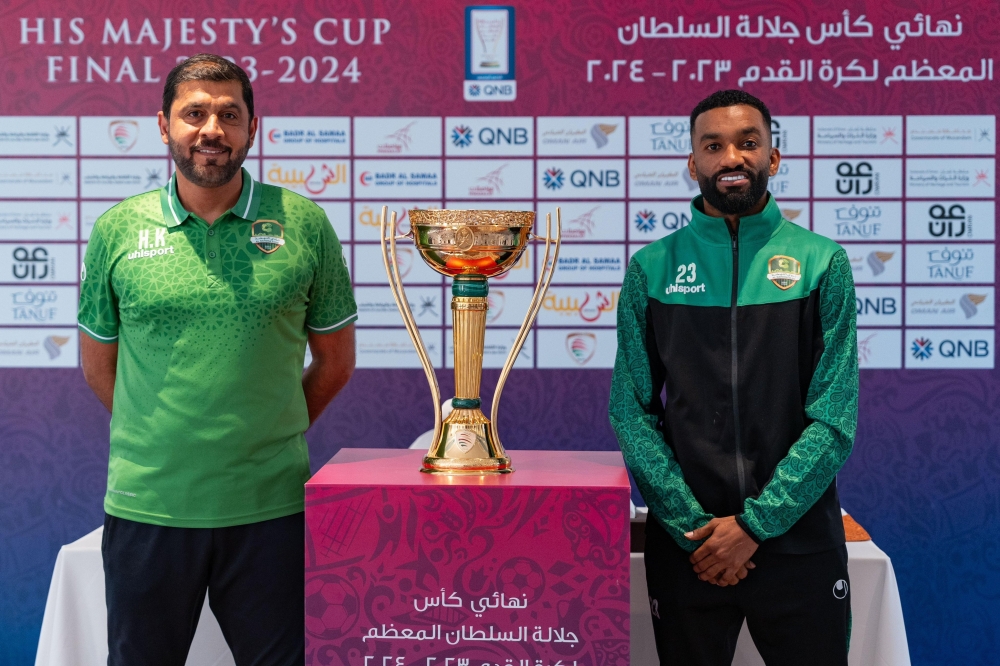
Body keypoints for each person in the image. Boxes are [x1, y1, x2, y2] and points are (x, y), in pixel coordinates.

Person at [78, 54, 357, 665]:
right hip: (150, 507)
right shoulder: (118, 230)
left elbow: (335, 362)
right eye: (194, 113)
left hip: (271, 508)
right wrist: (163, 434)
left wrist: (264, 428)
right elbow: (100, 366)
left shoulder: (302, 224)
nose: (212, 130)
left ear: (253, 128)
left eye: (230, 115)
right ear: (163, 125)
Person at [609, 89, 858, 666]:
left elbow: (835, 416)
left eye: (749, 143)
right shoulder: (652, 269)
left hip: (798, 543)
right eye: (713, 145)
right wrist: (695, 528)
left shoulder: (824, 263)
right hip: (690, 549)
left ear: (773, 158)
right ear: (692, 163)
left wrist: (755, 525)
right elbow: (632, 411)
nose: (732, 158)